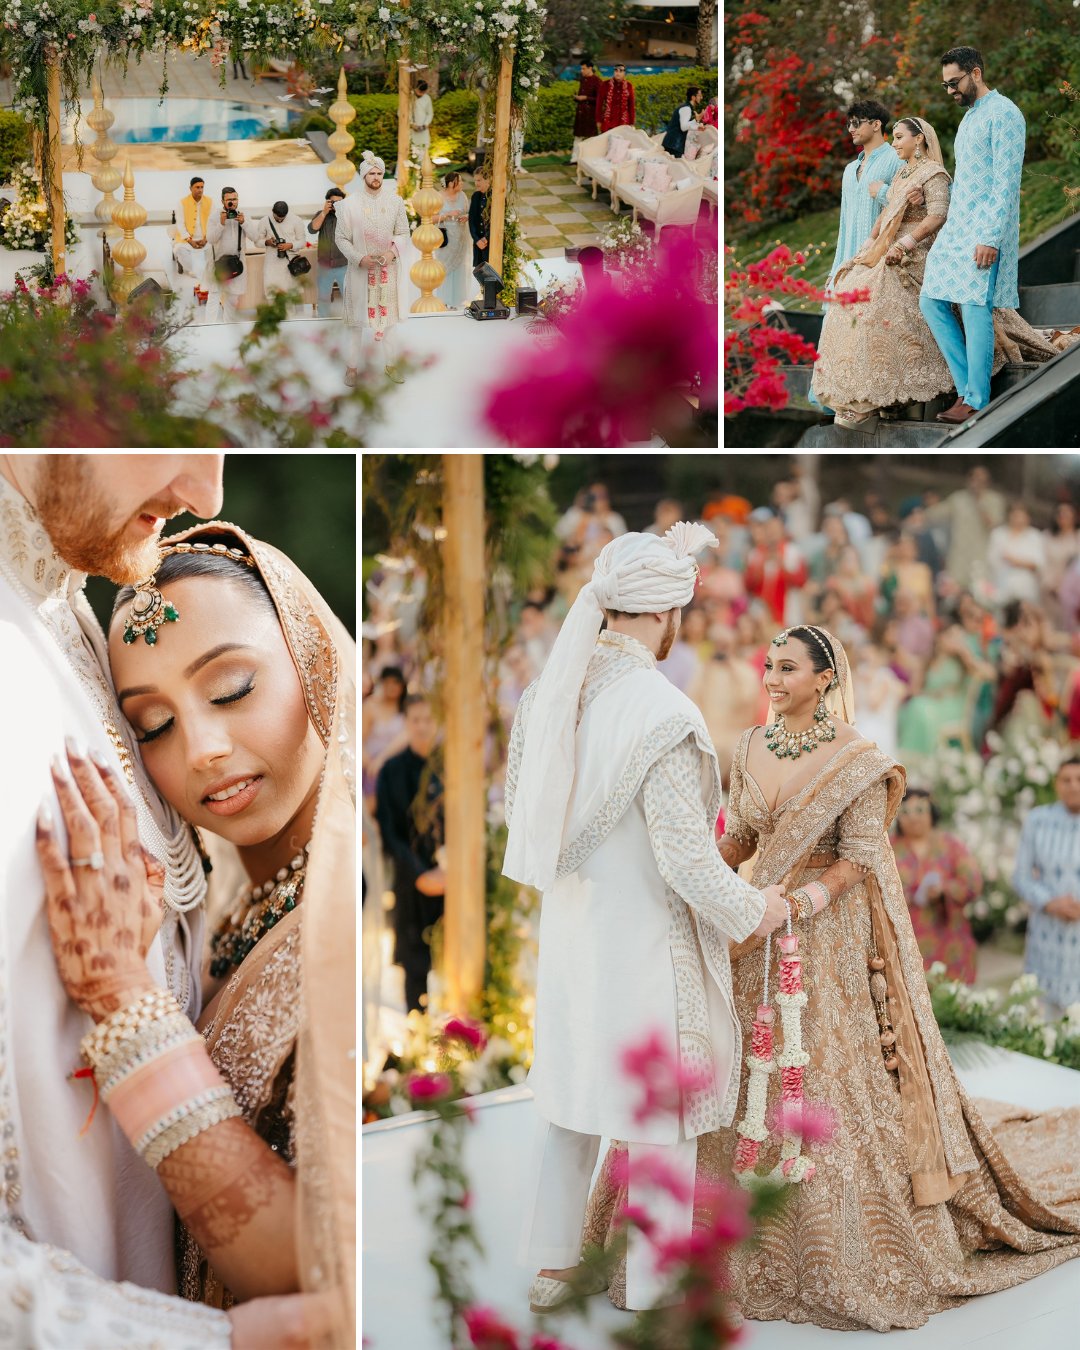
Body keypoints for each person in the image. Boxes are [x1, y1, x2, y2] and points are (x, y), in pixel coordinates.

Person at [586, 623, 1080, 1329]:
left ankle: (832, 1237)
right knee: (729, 1057)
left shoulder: (856, 759)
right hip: (757, 921)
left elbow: (857, 856)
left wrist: (804, 901)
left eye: (787, 667)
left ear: (825, 678)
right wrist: (696, 875)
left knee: (819, 1070)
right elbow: (744, 838)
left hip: (824, 935)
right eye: (768, 665)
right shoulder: (750, 745)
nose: (773, 678)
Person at [0, 458, 331, 1345]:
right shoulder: (241, 901)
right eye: (149, 727)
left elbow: (326, 1268)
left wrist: (123, 1004)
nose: (206, 749)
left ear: (313, 660)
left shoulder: (342, 915)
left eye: (232, 689)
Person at [503, 525, 788, 1315]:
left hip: (570, 937)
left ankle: (556, 1268)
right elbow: (688, 861)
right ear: (664, 616)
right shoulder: (662, 709)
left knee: (572, 1101)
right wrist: (753, 911)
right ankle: (657, 1287)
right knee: (659, 1111)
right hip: (644, 944)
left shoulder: (546, 697)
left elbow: (521, 819)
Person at [813, 117, 953, 426]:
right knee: (847, 290)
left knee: (875, 300)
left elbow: (939, 216)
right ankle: (854, 397)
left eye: (900, 137)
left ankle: (874, 399)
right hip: (888, 247)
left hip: (920, 251)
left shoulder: (935, 173)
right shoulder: (903, 173)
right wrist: (867, 245)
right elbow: (886, 214)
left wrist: (903, 244)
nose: (894, 143)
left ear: (919, 140)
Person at [920, 47, 1027, 425]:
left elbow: (1006, 183)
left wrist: (990, 236)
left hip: (985, 227)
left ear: (975, 73)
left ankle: (976, 398)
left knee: (974, 305)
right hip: (958, 225)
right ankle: (967, 385)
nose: (949, 90)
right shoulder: (969, 119)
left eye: (954, 82)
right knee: (930, 299)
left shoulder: (1005, 114)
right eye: (945, 84)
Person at [374, 694, 444, 1013]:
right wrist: (420, 875)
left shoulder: (450, 768)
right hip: (411, 879)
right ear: (406, 723)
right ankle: (416, 1033)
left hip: (450, 878)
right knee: (414, 963)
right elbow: (390, 832)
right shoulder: (391, 771)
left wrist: (449, 870)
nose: (422, 726)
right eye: (415, 719)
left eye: (428, 719)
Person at [338, 151, 410, 389]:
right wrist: (360, 259)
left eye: (379, 173)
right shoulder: (348, 205)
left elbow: (403, 233)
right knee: (357, 324)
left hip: (387, 270)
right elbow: (341, 239)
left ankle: (390, 365)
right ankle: (352, 368)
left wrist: (391, 254)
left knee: (389, 322)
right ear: (363, 176)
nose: (376, 177)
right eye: (372, 173)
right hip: (361, 271)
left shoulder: (395, 201)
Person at [893, 788, 981, 983]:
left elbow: (973, 883)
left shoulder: (951, 845)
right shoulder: (888, 849)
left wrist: (944, 890)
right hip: (905, 945)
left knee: (951, 1005)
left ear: (931, 811)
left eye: (920, 810)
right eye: (906, 812)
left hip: (949, 941)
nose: (914, 818)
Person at [1014, 757, 1080, 1016]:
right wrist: (1050, 902)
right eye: (1067, 780)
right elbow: (1021, 876)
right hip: (1046, 932)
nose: (1073, 786)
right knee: (1044, 1018)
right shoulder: (1038, 820)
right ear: (1057, 784)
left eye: (1079, 780)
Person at [826, 101, 901, 298]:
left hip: (879, 261)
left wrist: (883, 193)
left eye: (857, 123)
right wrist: (835, 269)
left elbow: (907, 206)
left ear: (876, 125)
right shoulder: (850, 170)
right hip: (848, 263)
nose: (851, 129)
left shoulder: (897, 158)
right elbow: (844, 223)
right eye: (849, 124)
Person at [925, 464, 1007, 590]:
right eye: (974, 479)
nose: (977, 483)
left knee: (980, 593)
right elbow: (936, 513)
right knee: (953, 591)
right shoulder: (958, 498)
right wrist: (919, 514)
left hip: (982, 556)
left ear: (987, 482)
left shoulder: (995, 499)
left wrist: (979, 502)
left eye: (981, 480)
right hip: (958, 556)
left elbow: (994, 525)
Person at [744, 509, 808, 625]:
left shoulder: (794, 551)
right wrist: (762, 565)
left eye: (776, 529)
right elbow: (748, 584)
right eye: (769, 529)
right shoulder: (755, 554)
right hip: (760, 614)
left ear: (782, 530)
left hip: (788, 611)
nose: (772, 533)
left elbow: (801, 581)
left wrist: (782, 565)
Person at [207, 186, 261, 322]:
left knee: (232, 298)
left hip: (236, 264)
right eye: (229, 200)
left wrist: (244, 223)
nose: (232, 202)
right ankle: (208, 328)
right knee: (214, 296)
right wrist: (221, 224)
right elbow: (210, 239)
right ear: (222, 201)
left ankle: (227, 327)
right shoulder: (214, 217)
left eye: (235, 199)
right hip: (218, 264)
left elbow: (255, 237)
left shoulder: (243, 215)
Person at [361, 664, 408, 811]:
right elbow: (360, 740)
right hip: (370, 763)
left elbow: (406, 738)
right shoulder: (371, 706)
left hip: (395, 762)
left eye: (396, 683)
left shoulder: (406, 709)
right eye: (388, 683)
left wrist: (382, 760)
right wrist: (370, 763)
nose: (392, 687)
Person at [988, 502, 1046, 609]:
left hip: (1025, 590)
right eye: (1015, 515)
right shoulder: (998, 534)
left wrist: (1016, 562)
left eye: (1021, 516)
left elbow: (1038, 563)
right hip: (1000, 588)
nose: (1018, 519)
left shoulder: (1035, 536)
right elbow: (991, 560)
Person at [308, 187, 349, 319]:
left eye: (339, 202)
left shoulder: (348, 215)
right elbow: (312, 229)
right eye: (333, 202)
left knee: (349, 296)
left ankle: (352, 322)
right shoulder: (321, 214)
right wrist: (324, 213)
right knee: (323, 298)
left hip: (344, 263)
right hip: (325, 265)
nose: (336, 205)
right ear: (327, 202)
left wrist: (341, 212)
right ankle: (323, 323)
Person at [434, 171, 471, 308]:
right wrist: (447, 215)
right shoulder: (438, 197)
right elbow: (430, 219)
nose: (462, 183)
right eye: (459, 181)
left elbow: (467, 212)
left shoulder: (463, 196)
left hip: (461, 238)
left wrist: (466, 217)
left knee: (460, 267)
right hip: (446, 239)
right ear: (450, 184)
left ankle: (458, 301)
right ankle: (444, 301)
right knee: (445, 268)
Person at [260, 199, 309, 297]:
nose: (279, 220)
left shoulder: (296, 220)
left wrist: (290, 245)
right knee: (272, 295)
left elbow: (302, 242)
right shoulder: (265, 221)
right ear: (272, 211)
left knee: (290, 296)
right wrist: (267, 242)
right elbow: (257, 241)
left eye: (282, 218)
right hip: (271, 264)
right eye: (277, 218)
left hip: (290, 263)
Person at [173, 175, 214, 281]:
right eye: (197, 187)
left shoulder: (210, 202)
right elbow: (180, 224)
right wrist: (190, 240)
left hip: (205, 239)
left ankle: (200, 268)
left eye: (202, 187)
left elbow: (212, 223)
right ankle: (196, 269)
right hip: (187, 240)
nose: (200, 190)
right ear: (190, 188)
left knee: (215, 249)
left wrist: (206, 238)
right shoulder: (182, 203)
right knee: (179, 250)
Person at [570, 58, 601, 164]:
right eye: (581, 69)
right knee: (577, 136)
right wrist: (577, 97)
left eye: (583, 69)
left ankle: (589, 160)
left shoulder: (597, 81)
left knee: (591, 139)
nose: (581, 71)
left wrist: (586, 98)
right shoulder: (583, 80)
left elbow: (600, 99)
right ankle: (574, 159)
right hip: (581, 113)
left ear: (590, 68)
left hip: (590, 115)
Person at [661, 85, 704, 158]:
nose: (701, 97)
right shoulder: (686, 108)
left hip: (672, 144)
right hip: (674, 145)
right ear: (693, 97)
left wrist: (697, 127)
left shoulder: (686, 107)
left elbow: (683, 125)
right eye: (699, 95)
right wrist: (696, 120)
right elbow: (683, 127)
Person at [597, 63, 635, 134]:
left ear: (624, 73)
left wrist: (632, 123)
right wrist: (598, 121)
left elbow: (631, 106)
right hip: (608, 122)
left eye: (621, 71)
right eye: (616, 71)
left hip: (624, 122)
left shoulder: (629, 86)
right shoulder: (605, 85)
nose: (618, 73)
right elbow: (599, 104)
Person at [469, 166, 491, 270]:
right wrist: (476, 240)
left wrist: (486, 238)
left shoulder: (495, 196)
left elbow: (498, 222)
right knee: (481, 272)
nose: (476, 183)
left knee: (492, 272)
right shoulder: (475, 196)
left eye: (479, 180)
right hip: (478, 244)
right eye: (475, 180)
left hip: (491, 242)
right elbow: (472, 220)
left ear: (488, 180)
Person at [410, 80, 434, 163]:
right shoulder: (409, 96)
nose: (421, 93)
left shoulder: (427, 98)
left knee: (423, 150)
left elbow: (430, 113)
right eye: (419, 91)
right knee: (411, 150)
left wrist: (425, 124)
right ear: (415, 88)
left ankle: (421, 170)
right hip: (410, 129)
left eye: (423, 92)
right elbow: (401, 113)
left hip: (423, 129)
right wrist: (411, 124)